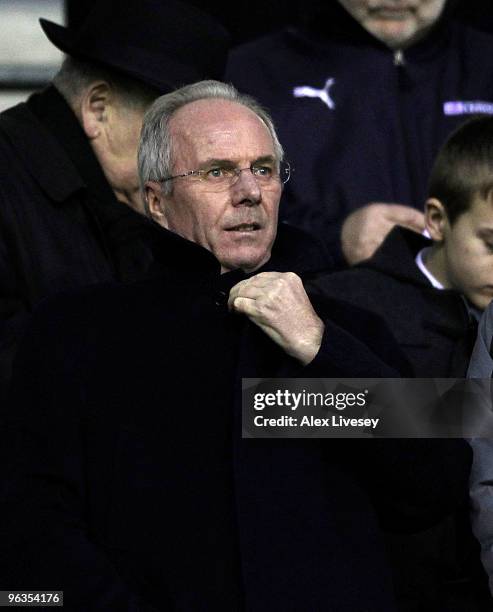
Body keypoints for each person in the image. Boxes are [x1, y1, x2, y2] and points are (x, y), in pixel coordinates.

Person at [0, 80, 472, 612]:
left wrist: (321, 349)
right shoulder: (78, 332)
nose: (249, 191)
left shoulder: (350, 326)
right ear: (156, 201)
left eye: (264, 169)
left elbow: (438, 484)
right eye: (217, 171)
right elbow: (34, 522)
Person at [306, 115, 493, 610]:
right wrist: (473, 412)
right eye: (491, 244)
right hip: (379, 583)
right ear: (436, 219)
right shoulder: (343, 302)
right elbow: (280, 410)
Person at [0, 0, 230, 399]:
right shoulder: (14, 183)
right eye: (172, 134)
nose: (188, 159)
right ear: (97, 108)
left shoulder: (124, 194)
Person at [226, 0, 493, 266]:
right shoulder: (251, 72)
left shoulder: (485, 63)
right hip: (319, 292)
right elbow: (218, 203)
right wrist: (335, 237)